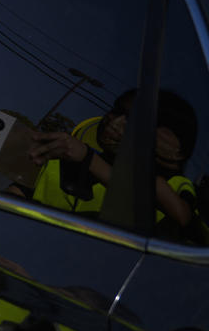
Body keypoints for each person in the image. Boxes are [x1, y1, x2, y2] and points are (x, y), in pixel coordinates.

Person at [28, 88, 199, 233]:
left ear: (178, 151)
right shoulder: (62, 159)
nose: (115, 123)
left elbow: (182, 218)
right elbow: (17, 195)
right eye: (117, 111)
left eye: (137, 122)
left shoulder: (175, 185)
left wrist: (88, 158)